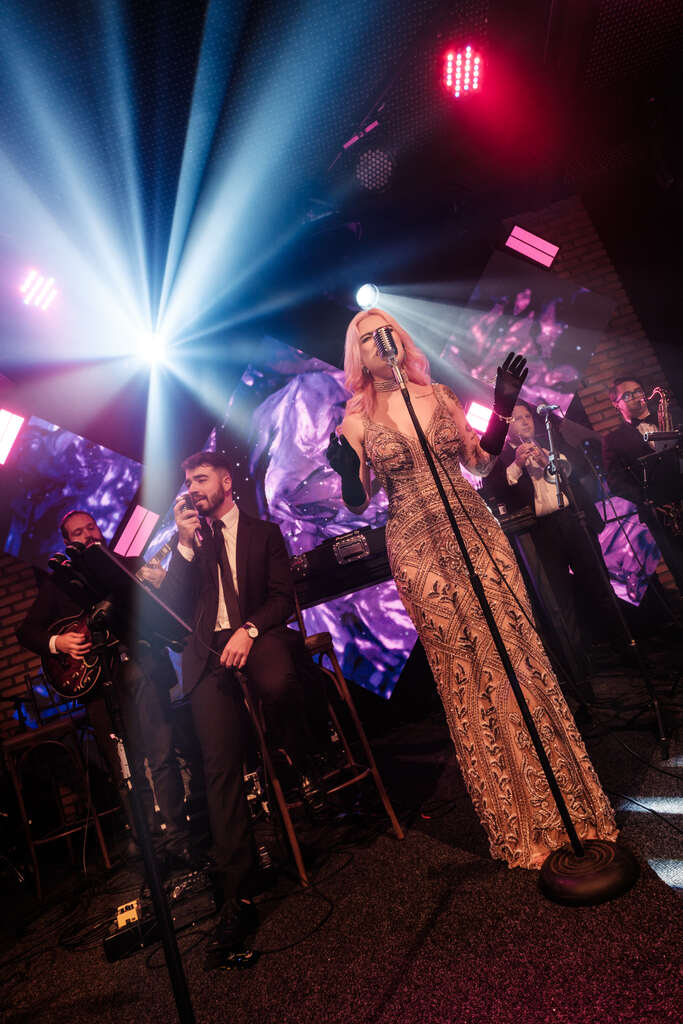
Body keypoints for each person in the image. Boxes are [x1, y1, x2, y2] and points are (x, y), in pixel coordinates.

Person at [326, 308, 617, 870]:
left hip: (475, 529)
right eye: (366, 338)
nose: (379, 342)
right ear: (357, 354)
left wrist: (502, 408)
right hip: (417, 547)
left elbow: (480, 465)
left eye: (386, 331)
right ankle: (518, 817)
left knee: (516, 651)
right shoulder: (356, 420)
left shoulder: (437, 396)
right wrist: (344, 473)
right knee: (472, 672)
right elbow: (358, 501)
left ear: (400, 339)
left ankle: (568, 804)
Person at [156, 450, 326, 961]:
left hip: (257, 633)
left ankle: (294, 755)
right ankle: (237, 892)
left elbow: (280, 596)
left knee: (279, 685)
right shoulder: (187, 544)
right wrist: (183, 545)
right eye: (187, 481)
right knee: (217, 768)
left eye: (201, 478)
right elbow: (173, 611)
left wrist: (250, 631)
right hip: (208, 651)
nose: (193, 488)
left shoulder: (263, 532)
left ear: (226, 481)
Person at [16, 511, 188, 858]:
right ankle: (149, 844)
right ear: (67, 543)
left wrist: (158, 584)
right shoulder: (59, 583)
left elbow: (163, 612)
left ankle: (178, 839)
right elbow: (26, 631)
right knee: (125, 769)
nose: (87, 535)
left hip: (138, 665)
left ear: (101, 530)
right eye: (77, 533)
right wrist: (58, 643)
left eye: (91, 527)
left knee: (160, 754)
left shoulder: (129, 565)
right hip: (96, 685)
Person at [481, 400, 621, 691]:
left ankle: (622, 647)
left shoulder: (550, 440)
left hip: (573, 520)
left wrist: (549, 461)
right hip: (541, 531)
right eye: (517, 419)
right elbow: (496, 491)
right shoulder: (501, 456)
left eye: (526, 417)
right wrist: (518, 464)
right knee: (560, 601)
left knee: (599, 584)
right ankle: (581, 669)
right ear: (507, 428)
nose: (524, 422)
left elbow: (577, 471)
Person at [603, 376, 683, 595]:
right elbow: (615, 482)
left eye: (638, 391)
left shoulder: (674, 417)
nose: (636, 397)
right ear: (616, 404)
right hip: (661, 513)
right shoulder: (613, 440)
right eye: (626, 395)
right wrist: (648, 499)